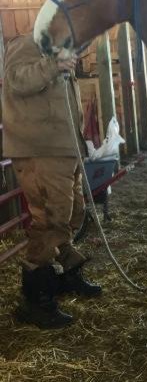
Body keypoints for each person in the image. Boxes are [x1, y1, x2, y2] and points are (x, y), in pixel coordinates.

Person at [2, 33, 102, 329]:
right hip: (41, 148)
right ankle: (36, 299)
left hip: (64, 147)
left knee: (72, 213)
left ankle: (66, 275)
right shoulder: (25, 44)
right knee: (50, 220)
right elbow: (16, 80)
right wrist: (52, 65)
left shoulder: (56, 49)